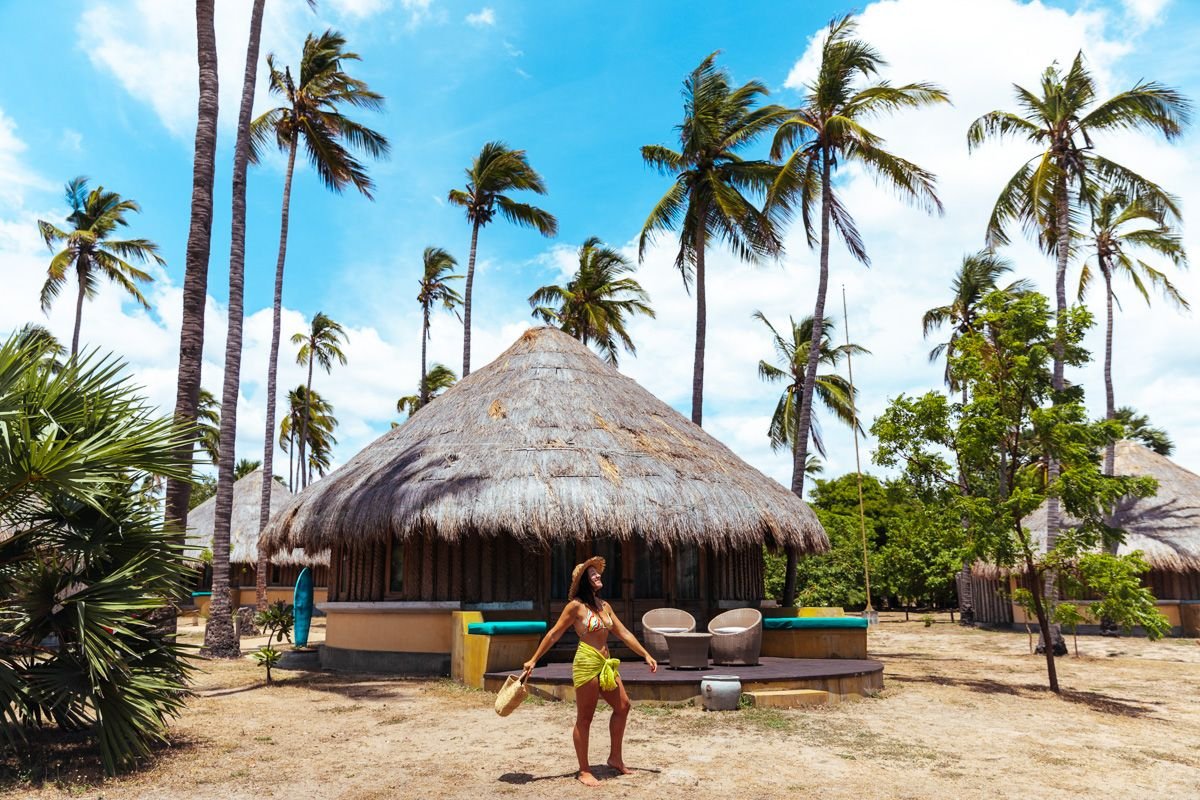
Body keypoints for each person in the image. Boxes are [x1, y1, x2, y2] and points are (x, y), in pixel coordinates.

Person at [522, 556, 658, 787]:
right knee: (585, 718)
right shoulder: (575, 606)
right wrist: (534, 659)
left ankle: (615, 758)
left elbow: (623, 632)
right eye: (592, 574)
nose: (598, 576)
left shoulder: (604, 606)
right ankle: (584, 770)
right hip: (586, 662)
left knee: (623, 706)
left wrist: (645, 653)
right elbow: (554, 634)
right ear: (584, 581)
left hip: (605, 663)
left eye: (597, 572)